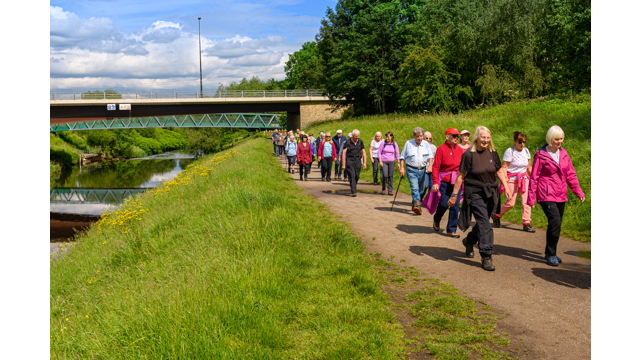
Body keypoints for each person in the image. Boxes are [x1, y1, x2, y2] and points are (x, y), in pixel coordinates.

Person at [450, 126, 512, 271]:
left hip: (490, 193)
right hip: (474, 193)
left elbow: (499, 171)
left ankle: (469, 241)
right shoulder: (468, 155)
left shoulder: (492, 153)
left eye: (488, 138)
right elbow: (460, 176)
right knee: (485, 224)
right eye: (483, 137)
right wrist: (454, 195)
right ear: (477, 137)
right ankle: (486, 256)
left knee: (483, 222)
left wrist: (507, 188)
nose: (485, 140)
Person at [527, 125, 585, 266]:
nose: (559, 142)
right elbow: (534, 177)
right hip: (546, 193)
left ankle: (551, 252)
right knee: (555, 222)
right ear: (550, 139)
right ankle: (550, 254)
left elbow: (570, 174)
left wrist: (578, 191)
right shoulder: (541, 155)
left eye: (561, 139)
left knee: (557, 225)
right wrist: (531, 198)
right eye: (557, 139)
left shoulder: (564, 154)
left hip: (561, 193)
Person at [492, 131, 536, 233]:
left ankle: (526, 223)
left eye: (524, 142)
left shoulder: (526, 151)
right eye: (520, 142)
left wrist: (534, 177)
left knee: (526, 202)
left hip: (524, 178)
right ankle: (496, 215)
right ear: (515, 141)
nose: (522, 144)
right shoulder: (510, 151)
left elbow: (529, 167)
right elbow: (505, 166)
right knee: (510, 203)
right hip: (512, 179)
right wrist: (504, 179)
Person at [431, 128, 465, 237]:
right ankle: (437, 218)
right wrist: (435, 182)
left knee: (455, 205)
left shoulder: (460, 149)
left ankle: (451, 229)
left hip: (456, 181)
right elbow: (435, 167)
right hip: (445, 181)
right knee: (444, 203)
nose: (456, 138)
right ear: (447, 137)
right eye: (454, 136)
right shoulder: (441, 149)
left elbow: (463, 167)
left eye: (457, 136)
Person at [399, 127, 433, 214]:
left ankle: (415, 202)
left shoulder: (426, 144)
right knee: (415, 188)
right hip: (411, 169)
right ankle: (418, 206)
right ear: (414, 136)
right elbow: (402, 157)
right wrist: (402, 168)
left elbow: (430, 156)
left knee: (423, 188)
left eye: (421, 136)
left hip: (422, 170)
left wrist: (430, 166)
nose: (419, 138)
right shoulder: (408, 143)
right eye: (418, 136)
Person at [341, 129, 367, 196]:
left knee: (357, 176)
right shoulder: (348, 142)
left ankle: (353, 185)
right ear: (352, 135)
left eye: (358, 136)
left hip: (358, 160)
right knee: (352, 175)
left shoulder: (360, 142)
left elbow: (364, 153)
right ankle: (354, 191)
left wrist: (365, 163)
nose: (357, 137)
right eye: (356, 136)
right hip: (350, 160)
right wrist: (343, 164)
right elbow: (343, 153)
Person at [378, 131, 401, 195]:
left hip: (392, 161)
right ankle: (383, 188)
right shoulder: (383, 143)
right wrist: (380, 161)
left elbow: (397, 153)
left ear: (392, 137)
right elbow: (379, 152)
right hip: (384, 161)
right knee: (385, 175)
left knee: (390, 175)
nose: (387, 138)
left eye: (388, 137)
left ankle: (390, 190)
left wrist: (398, 162)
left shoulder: (394, 144)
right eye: (386, 137)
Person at [424, 131, 438, 198]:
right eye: (426, 138)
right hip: (424, 169)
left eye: (430, 138)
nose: (428, 140)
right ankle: (419, 198)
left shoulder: (434, 147)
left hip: (432, 169)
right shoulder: (421, 146)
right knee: (425, 185)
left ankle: (428, 201)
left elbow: (436, 158)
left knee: (431, 186)